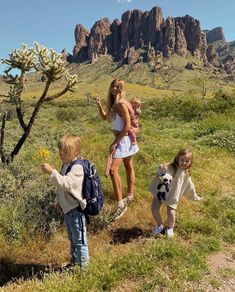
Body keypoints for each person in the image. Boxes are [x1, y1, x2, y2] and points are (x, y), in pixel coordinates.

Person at [41, 134, 89, 269]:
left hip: (75, 210)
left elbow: (66, 183)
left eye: (65, 151)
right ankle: (75, 263)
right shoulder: (66, 165)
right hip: (68, 209)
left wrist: (52, 172)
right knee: (73, 239)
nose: (61, 154)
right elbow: (62, 188)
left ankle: (83, 269)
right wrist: (59, 202)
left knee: (80, 240)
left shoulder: (77, 167)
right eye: (60, 151)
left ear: (75, 151)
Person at [94, 79, 139, 219]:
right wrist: (99, 104)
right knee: (128, 165)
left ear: (121, 89)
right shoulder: (114, 104)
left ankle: (120, 204)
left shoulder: (121, 104)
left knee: (113, 170)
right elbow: (105, 117)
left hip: (123, 139)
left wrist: (115, 142)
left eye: (117, 87)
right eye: (113, 86)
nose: (114, 89)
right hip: (123, 139)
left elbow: (126, 127)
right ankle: (129, 196)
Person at [148, 149, 201, 237]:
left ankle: (170, 228)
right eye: (182, 160)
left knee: (171, 212)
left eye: (187, 161)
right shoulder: (170, 167)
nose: (184, 163)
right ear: (177, 159)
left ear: (190, 162)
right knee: (154, 208)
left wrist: (194, 196)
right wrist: (161, 169)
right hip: (162, 192)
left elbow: (190, 186)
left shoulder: (185, 174)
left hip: (173, 195)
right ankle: (159, 225)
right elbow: (160, 173)